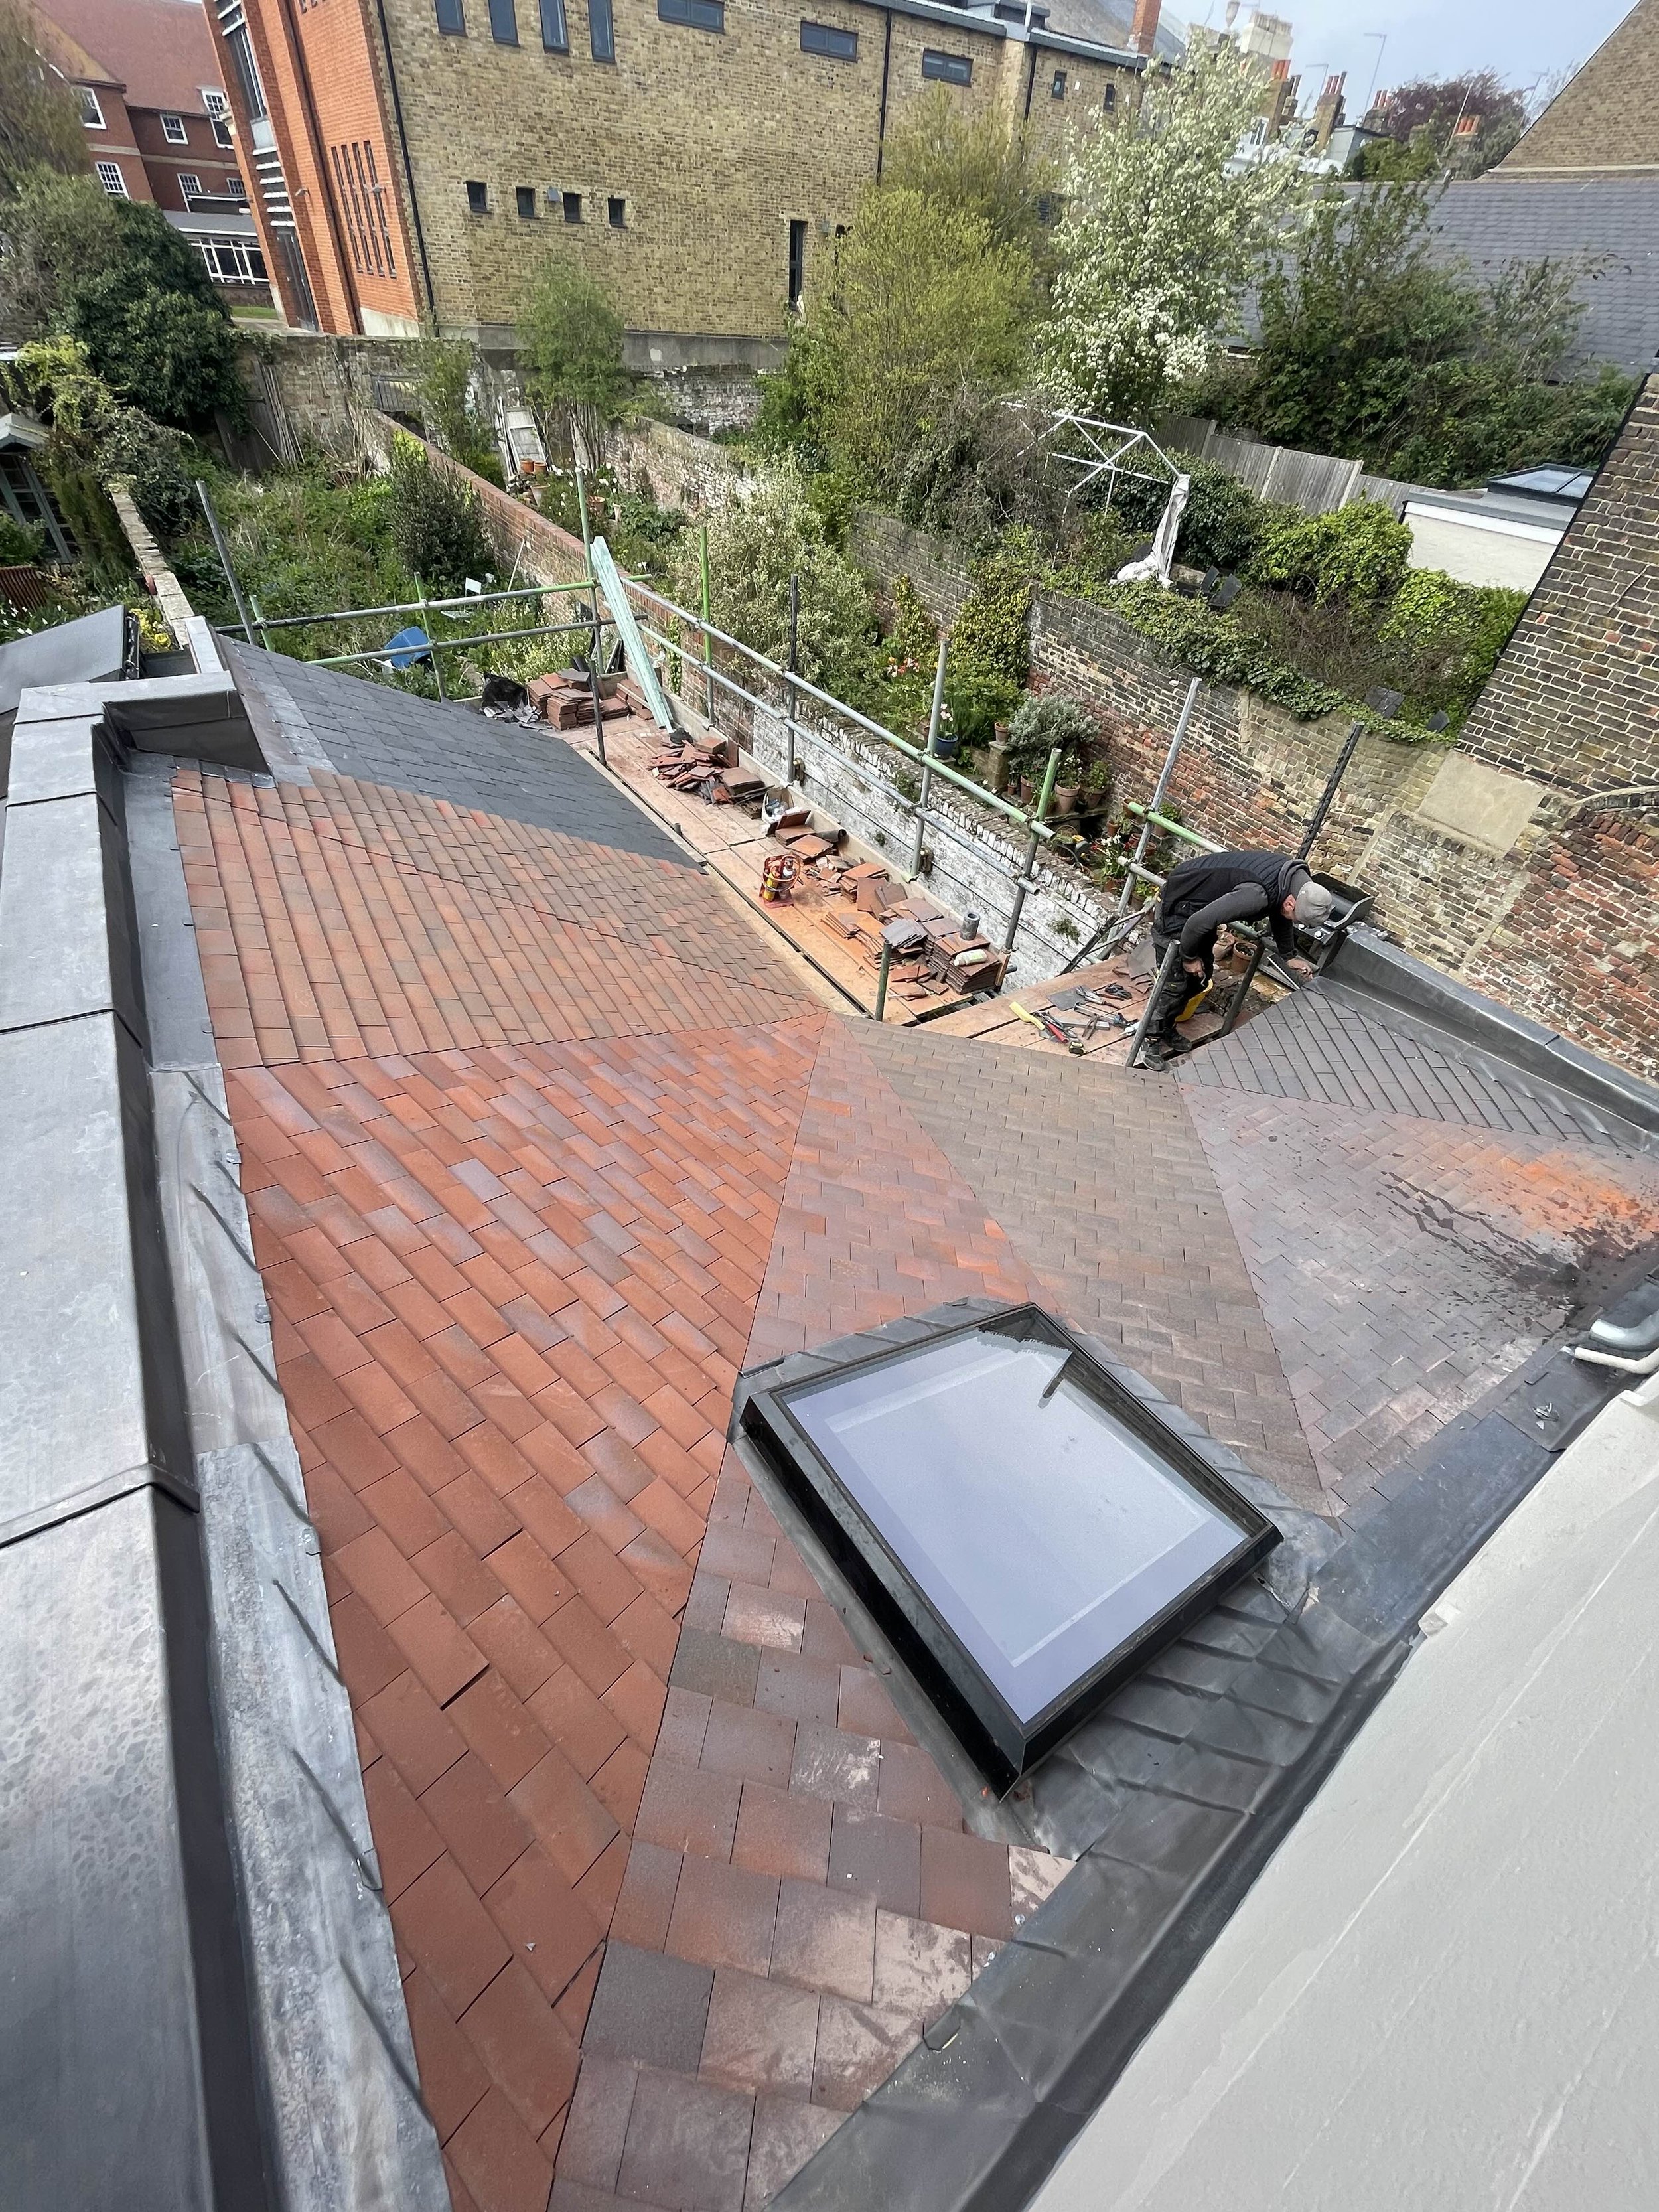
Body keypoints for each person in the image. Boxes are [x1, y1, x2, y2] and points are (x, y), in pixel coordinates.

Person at [1139, 849, 1334, 1065]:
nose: (1294, 921)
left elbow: (1280, 913)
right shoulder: (1255, 896)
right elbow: (1197, 923)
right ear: (1291, 903)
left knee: (1198, 980)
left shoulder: (1295, 883)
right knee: (1175, 983)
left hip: (1201, 909)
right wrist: (1189, 958)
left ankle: (1166, 1026)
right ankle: (1150, 1036)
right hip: (1180, 903)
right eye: (1296, 917)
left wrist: (1289, 956)